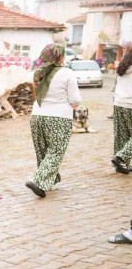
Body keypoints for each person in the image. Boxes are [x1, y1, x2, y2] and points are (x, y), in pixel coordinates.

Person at [25, 44, 81, 198]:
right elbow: (75, 100)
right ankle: (37, 181)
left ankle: (50, 179)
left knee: (42, 151)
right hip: (59, 117)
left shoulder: (37, 73)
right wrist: (73, 104)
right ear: (60, 56)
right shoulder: (67, 73)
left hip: (37, 116)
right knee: (55, 151)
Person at [111, 48, 132, 175]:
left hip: (118, 103)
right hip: (130, 104)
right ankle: (121, 157)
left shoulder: (123, 67)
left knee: (121, 135)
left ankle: (120, 165)